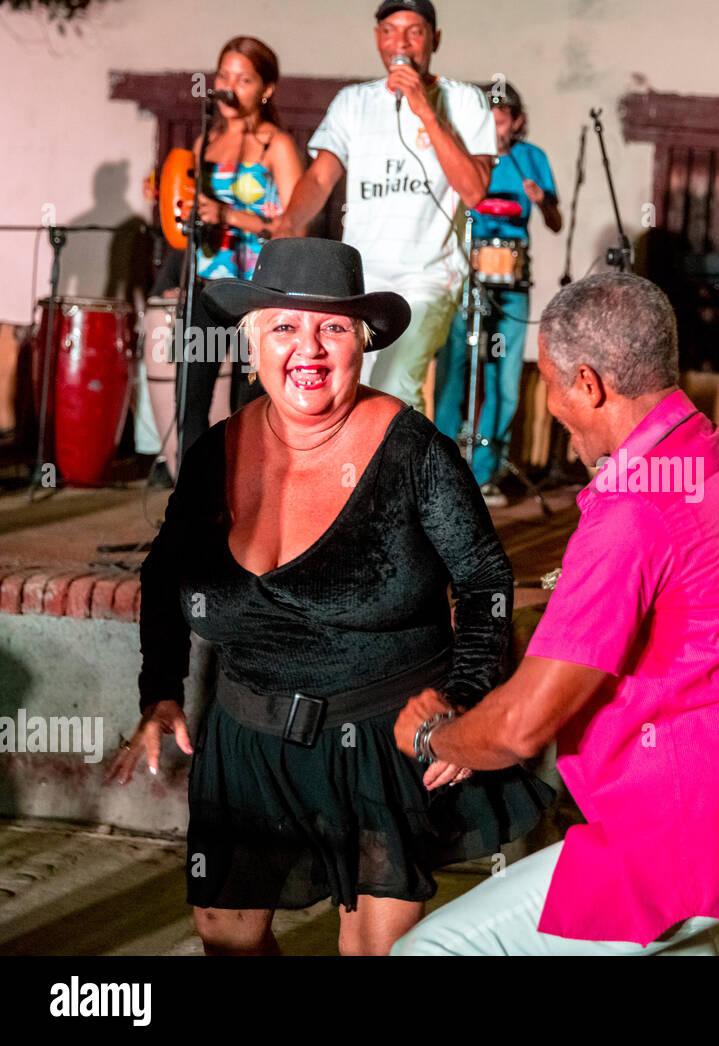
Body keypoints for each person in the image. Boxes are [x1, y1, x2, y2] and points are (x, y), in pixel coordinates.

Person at [106, 238, 554, 956]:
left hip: (380, 739)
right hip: (246, 740)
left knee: (372, 952)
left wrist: (465, 697)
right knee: (225, 935)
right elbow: (163, 576)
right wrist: (160, 690)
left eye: (334, 328)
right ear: (254, 341)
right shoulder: (214, 454)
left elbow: (483, 583)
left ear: (363, 343)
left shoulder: (415, 453)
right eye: (284, 326)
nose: (307, 348)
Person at [390, 273, 719, 955]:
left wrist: (435, 738)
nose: (551, 400)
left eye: (550, 380)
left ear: (589, 383)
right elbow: (677, 597)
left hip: (682, 833)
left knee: (432, 950)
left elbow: (519, 728)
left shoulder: (633, 508)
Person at [272, 0, 495, 417]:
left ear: (436, 39)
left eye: (415, 31)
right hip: (360, 279)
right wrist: (285, 227)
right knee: (351, 392)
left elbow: (474, 190)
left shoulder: (466, 102)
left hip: (428, 277)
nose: (402, 43)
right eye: (390, 30)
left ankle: (399, 482)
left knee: (395, 386)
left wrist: (423, 108)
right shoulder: (352, 102)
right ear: (377, 38)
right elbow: (320, 179)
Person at [173, 35, 303, 463]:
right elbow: (188, 219)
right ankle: (191, 513)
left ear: (265, 89)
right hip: (206, 287)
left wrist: (229, 216)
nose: (229, 85)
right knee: (189, 405)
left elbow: (296, 228)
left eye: (243, 79)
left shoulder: (276, 145)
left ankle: (250, 512)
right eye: (224, 75)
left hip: (257, 294)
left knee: (246, 407)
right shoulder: (204, 144)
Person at [433, 80, 562, 505]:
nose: (493, 127)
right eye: (486, 119)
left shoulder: (530, 159)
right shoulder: (465, 159)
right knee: (456, 374)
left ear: (517, 122)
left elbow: (556, 221)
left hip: (510, 288)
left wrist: (542, 201)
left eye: (501, 121)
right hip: (466, 283)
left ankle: (485, 474)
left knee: (502, 381)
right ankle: (442, 469)